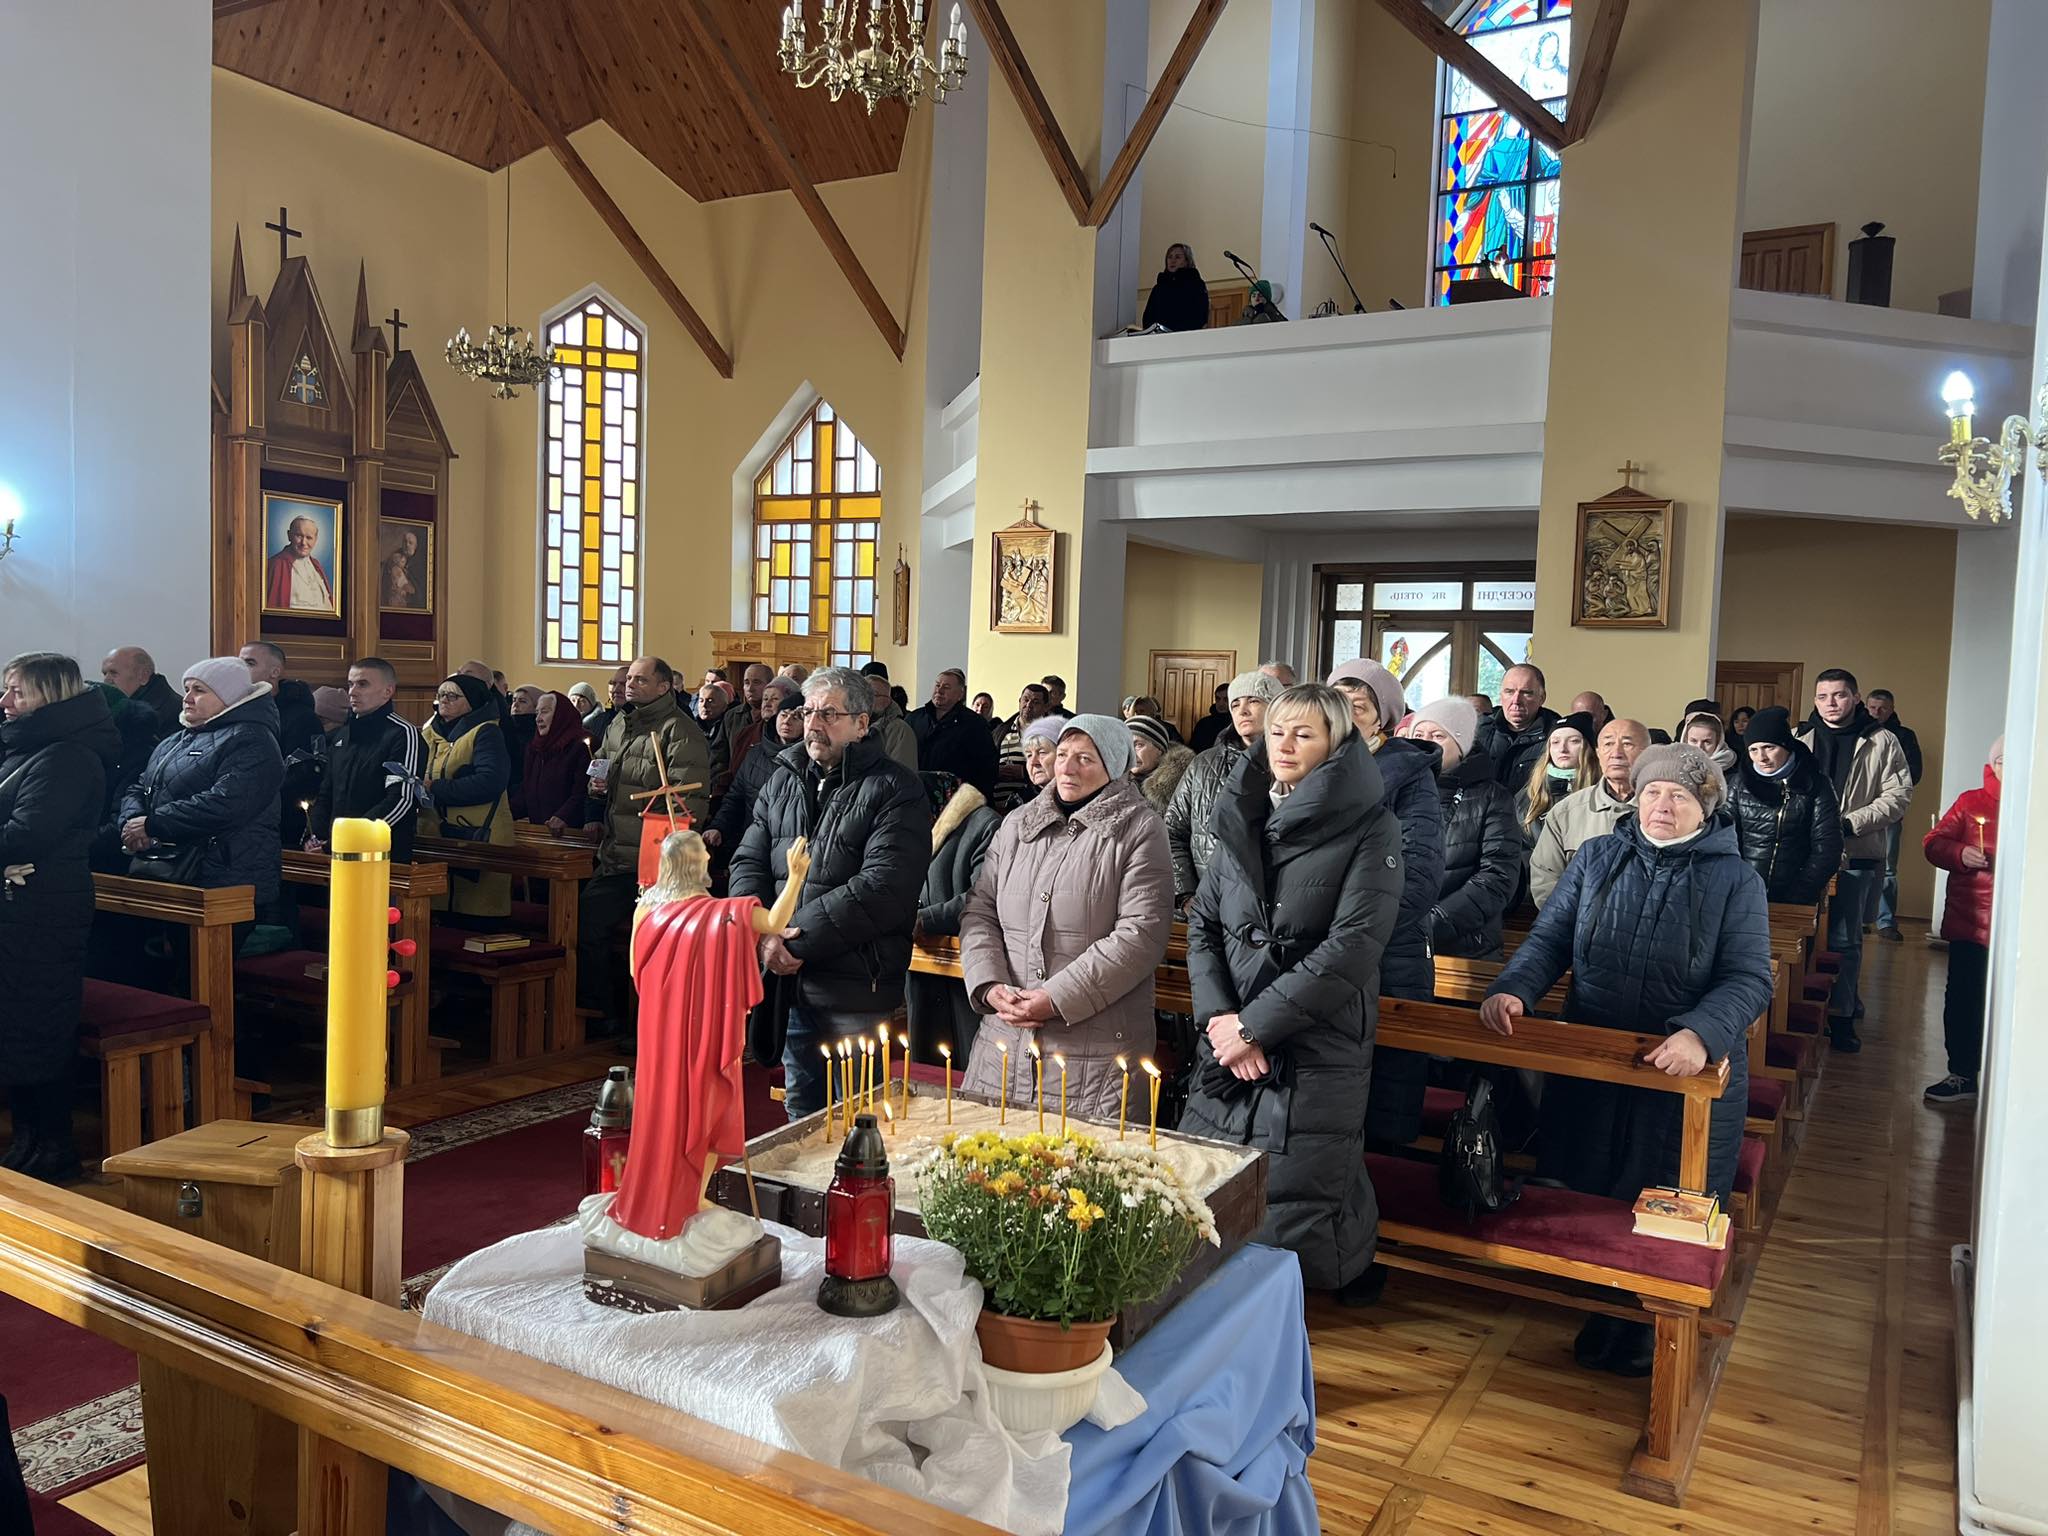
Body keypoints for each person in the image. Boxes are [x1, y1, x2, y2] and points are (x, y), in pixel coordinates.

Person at [1482, 743, 1771, 1375]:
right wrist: (1514, 988)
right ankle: (1601, 1304)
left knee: (1665, 1192)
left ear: (1705, 809)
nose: (1662, 804)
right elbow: (1550, 939)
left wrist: (1701, 1033)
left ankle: (1647, 1326)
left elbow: (1750, 978)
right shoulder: (1597, 857)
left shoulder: (1735, 880)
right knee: (1595, 1185)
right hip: (1598, 1055)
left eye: (1680, 796)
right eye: (1653, 792)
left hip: (1683, 1068)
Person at [1177, 683, 1401, 1299]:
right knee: (1207, 1181)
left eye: (1304, 734)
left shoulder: (1371, 825)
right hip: (1228, 1035)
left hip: (1315, 1037)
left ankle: (1275, 1330)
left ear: (1336, 742)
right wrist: (1220, 1017)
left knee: (1291, 1197)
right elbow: (1204, 924)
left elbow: (1354, 943)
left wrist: (1257, 1027)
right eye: (1277, 731)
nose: (1285, 745)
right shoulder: (1245, 812)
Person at [730, 667, 929, 1118]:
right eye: (808, 712)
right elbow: (748, 860)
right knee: (801, 1116)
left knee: (860, 1121)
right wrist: (760, 931)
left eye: (829, 714)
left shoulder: (897, 788)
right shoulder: (783, 778)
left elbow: (883, 887)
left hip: (855, 983)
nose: (814, 724)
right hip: (789, 982)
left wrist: (792, 941)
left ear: (861, 723)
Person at [959, 715, 1173, 1116]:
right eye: (1062, 755)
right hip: (1005, 1040)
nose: (1067, 768)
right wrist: (988, 985)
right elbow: (980, 910)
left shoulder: (1140, 829)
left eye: (1085, 759)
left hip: (1094, 1055)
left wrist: (1055, 998)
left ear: (1114, 766)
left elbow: (1140, 935)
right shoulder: (1018, 824)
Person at [1, 653, 119, 1181]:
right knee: (16, 1025)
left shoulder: (68, 756)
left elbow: (27, 836)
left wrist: (9, 856)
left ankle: (54, 1146)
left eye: (17, 691)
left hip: (44, 909)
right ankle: (27, 1139)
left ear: (49, 695)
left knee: (39, 1024)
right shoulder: (31, 747)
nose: (5, 702)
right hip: (21, 902)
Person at [1327, 660, 1442, 1151]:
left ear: (1383, 719)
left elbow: (1418, 876)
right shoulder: (1304, 766)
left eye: (1359, 706)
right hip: (1319, 957)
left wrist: (1349, 934)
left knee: (1382, 1108)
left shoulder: (1409, 776)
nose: (1345, 715)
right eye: (1336, 703)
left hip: (1388, 956)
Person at [578, 657, 712, 1035]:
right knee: (583, 922)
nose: (630, 685)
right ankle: (602, 1013)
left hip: (655, 864)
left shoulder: (680, 731)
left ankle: (639, 1025)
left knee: (642, 941)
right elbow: (600, 767)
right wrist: (596, 784)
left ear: (663, 687)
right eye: (628, 679)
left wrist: (667, 863)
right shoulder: (619, 723)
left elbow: (688, 801)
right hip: (617, 854)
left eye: (640, 679)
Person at [1797, 670, 1912, 1051]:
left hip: (1856, 852)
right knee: (1799, 936)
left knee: (1845, 940)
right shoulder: (1800, 738)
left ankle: (1842, 1016)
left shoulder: (1882, 740)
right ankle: (1801, 1012)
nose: (1830, 703)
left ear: (1856, 697)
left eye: (1839, 695)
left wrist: (1849, 823)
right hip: (1804, 855)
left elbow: (1897, 796)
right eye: (1822, 696)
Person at [120, 658, 284, 912]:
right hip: (171, 867)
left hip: (226, 874)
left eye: (199, 690)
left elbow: (227, 803)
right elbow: (139, 787)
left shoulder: (252, 740)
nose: (187, 698)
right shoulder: (176, 740)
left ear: (229, 696)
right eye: (187, 689)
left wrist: (153, 824)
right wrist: (133, 822)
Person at [1410, 697, 1521, 959]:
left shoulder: (1493, 797)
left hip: (1465, 946)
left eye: (1438, 735)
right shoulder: (1397, 789)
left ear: (1462, 745)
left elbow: (1497, 877)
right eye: (1418, 734)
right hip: (1395, 942)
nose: (1425, 743)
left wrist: (1429, 925)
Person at [1922, 737, 2000, 1106]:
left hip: (2018, 929)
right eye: (2003, 760)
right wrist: (1960, 853)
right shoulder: (1972, 802)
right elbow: (1934, 843)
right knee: (1964, 999)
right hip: (1973, 920)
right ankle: (1962, 1073)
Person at [906, 772, 1002, 1060]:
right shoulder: (914, 826)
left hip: (967, 960)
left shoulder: (985, 824)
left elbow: (984, 894)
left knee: (969, 1053)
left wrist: (925, 919)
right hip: (923, 961)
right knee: (928, 1060)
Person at [1166, 670, 1283, 906]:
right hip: (1211, 902)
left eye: (1254, 701)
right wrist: (1186, 895)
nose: (1243, 711)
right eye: (1235, 704)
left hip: (1275, 903)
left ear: (1275, 707)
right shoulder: (1203, 764)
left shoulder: (1292, 762)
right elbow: (1172, 831)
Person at [307, 656, 422, 861]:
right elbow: (327, 792)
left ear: (388, 691)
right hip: (336, 848)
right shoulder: (343, 734)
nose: (352, 692)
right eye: (350, 684)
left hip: (380, 852)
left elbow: (401, 799)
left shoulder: (403, 734)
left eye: (362, 684)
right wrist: (317, 836)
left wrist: (351, 837)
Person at [419, 673, 515, 919]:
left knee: (475, 919)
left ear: (472, 701)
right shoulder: (429, 734)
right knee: (440, 922)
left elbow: (491, 781)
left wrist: (435, 788)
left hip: (481, 835)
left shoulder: (486, 732)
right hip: (439, 838)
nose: (444, 700)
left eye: (452, 696)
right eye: (441, 695)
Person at [1726, 706, 1841, 905]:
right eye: (1753, 750)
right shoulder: (1739, 784)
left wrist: (1800, 894)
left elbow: (1828, 848)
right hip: (1742, 893)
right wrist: (1736, 885)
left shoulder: (1816, 784)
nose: (1761, 757)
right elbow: (1726, 837)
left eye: (1769, 747)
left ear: (1787, 746)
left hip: (1795, 897)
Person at [1529, 718, 1649, 908]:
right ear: (1598, 753)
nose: (1616, 753)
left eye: (1627, 744)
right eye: (1608, 744)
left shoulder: (1665, 810)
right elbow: (1545, 879)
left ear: (1648, 753)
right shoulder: (1566, 812)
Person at [705, 680, 804, 853]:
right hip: (753, 840)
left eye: (796, 717)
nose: (787, 721)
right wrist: (719, 826)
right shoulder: (755, 754)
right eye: (784, 715)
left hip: (792, 848)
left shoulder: (810, 761)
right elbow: (735, 797)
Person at [1866, 689, 1923, 942]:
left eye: (1882, 708)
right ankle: (1861, 918)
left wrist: (1886, 792)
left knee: (1888, 868)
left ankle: (1886, 921)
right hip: (1857, 810)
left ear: (1892, 709)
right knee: (1855, 865)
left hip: (1889, 811)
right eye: (1872, 707)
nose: (1876, 713)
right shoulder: (1859, 732)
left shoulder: (1904, 736)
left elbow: (1913, 773)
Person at [1516, 712, 1598, 853]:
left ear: (1588, 748)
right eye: (1555, 742)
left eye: (1574, 741)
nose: (1562, 749)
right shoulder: (1526, 797)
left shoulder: (1603, 792)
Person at [907, 668, 996, 795]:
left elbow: (987, 769)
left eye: (946, 687)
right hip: (915, 794)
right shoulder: (914, 718)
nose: (939, 690)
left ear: (960, 694)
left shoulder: (975, 725)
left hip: (957, 797)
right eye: (937, 685)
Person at [1472, 663, 1559, 787]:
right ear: (1501, 695)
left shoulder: (1557, 735)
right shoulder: (1479, 730)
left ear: (1542, 698)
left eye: (1526, 693)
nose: (1516, 700)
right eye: (1509, 692)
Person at [518, 691, 593, 831]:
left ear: (561, 715)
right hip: (541, 830)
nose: (538, 719)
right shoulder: (535, 747)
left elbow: (584, 791)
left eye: (544, 712)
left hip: (571, 831)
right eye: (537, 713)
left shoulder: (582, 745)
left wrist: (564, 816)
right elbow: (526, 790)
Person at [100, 645, 181, 731]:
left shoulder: (175, 713)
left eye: (114, 673)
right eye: (105, 674)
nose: (106, 680)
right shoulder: (110, 708)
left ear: (143, 675)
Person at [264, 514, 335, 611]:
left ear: (315, 540)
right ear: (289, 535)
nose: (303, 543)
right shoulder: (276, 565)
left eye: (309, 538)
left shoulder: (316, 565)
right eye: (299, 536)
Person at [1128, 713, 1194, 815]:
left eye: (1139, 745)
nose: (1131, 752)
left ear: (1159, 749)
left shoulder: (1185, 784)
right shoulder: (1115, 783)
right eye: (1127, 745)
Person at [1141, 243, 1209, 332]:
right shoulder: (1159, 288)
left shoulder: (1196, 284)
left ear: (1187, 261)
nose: (1172, 261)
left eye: (1177, 257)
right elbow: (1148, 317)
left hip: (1186, 334)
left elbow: (1200, 315)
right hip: (1160, 336)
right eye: (1170, 257)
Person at [865, 672, 920, 772]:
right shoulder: (853, 725)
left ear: (887, 701)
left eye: (873, 694)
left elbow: (902, 775)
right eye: (863, 694)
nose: (866, 699)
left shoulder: (900, 730)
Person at [583, 665, 629, 747]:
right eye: (614, 684)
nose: (616, 690)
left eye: (623, 684)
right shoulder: (599, 720)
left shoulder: (643, 721)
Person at [1188, 683, 1232, 754]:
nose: (1221, 703)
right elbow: (1193, 749)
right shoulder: (1203, 723)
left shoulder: (1237, 723)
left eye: (1225, 699)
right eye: (1218, 699)